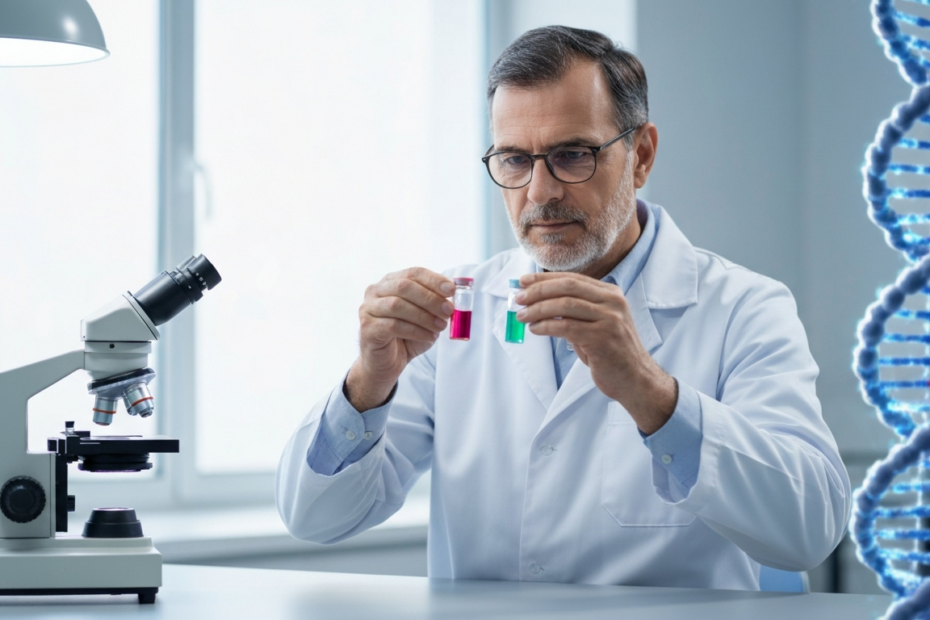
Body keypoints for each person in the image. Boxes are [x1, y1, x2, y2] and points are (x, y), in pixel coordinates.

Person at [276, 26, 850, 590]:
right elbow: (316, 518)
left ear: (641, 155)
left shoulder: (744, 309)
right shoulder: (460, 310)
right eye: (514, 159)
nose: (540, 191)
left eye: (572, 155)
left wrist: (651, 393)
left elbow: (809, 528)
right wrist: (368, 383)